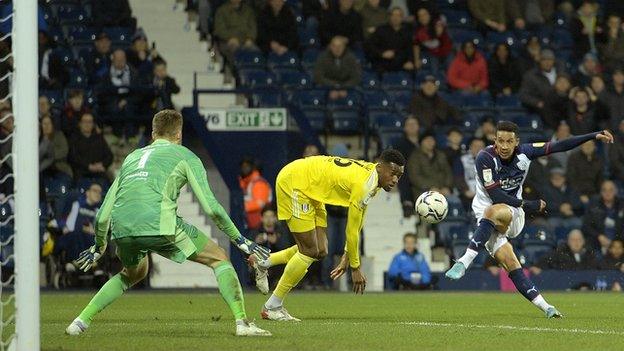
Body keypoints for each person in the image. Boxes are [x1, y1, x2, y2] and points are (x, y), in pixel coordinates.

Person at [65, 110, 271, 337]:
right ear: (179, 134)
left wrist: (99, 246)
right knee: (220, 258)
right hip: (160, 224)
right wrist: (240, 240)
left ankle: (80, 322)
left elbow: (103, 214)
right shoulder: (185, 156)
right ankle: (242, 323)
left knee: (133, 273)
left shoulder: (131, 158)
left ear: (153, 133)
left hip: (122, 229)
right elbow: (212, 208)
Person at [446, 120, 613, 318]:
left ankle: (464, 261)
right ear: (495, 140)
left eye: (509, 141)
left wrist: (592, 135)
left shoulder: (526, 152)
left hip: (513, 214)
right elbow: (497, 195)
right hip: (489, 217)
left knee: (492, 211)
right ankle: (547, 307)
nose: (505, 146)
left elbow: (559, 145)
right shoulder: (485, 158)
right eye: (501, 141)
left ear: (517, 142)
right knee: (511, 262)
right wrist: (530, 204)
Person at [247, 150, 405, 321]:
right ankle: (272, 306)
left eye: (399, 176)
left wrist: (347, 254)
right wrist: (355, 267)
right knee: (308, 251)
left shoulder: (374, 177)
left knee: (321, 250)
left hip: (314, 187)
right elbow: (351, 230)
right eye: (393, 173)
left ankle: (263, 262)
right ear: (381, 167)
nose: (395, 179)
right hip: (295, 183)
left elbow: (359, 218)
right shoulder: (364, 185)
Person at [250, 205, 292, 289]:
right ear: (261, 218)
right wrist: (256, 243)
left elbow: (288, 249)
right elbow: (246, 251)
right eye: (266, 216)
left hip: (277, 265)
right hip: (261, 265)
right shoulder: (255, 231)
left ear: (275, 218)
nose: (269, 219)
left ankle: (278, 283)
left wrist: (277, 242)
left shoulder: (281, 231)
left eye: (271, 216)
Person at [365, 7, 414, 73]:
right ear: (390, 17)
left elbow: (409, 49)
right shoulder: (381, 30)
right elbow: (370, 46)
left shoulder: (407, 32)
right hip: (382, 65)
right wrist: (382, 53)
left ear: (402, 18)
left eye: (398, 15)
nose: (395, 18)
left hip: (401, 66)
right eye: (393, 15)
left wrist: (410, 61)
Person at [519, 49, 564, 121]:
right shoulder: (531, 76)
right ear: (540, 61)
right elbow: (524, 95)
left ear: (554, 61)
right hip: (542, 110)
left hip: (562, 106)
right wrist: (537, 102)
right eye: (544, 60)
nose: (547, 62)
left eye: (550, 59)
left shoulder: (561, 73)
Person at [582, 180, 624, 253]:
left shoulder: (622, 204)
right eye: (604, 190)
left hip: (618, 243)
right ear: (601, 192)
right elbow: (586, 225)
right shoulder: (593, 204)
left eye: (611, 190)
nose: (608, 193)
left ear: (616, 191)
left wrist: (616, 241)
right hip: (597, 242)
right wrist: (599, 236)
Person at [530, 229, 599, 273]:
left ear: (583, 241)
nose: (576, 243)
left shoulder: (590, 254)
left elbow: (598, 270)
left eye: (579, 240)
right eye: (573, 240)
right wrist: (538, 268)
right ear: (568, 241)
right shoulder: (560, 253)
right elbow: (544, 262)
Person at [68, 113, 113, 181]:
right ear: (80, 124)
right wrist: (89, 166)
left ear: (93, 124)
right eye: (85, 122)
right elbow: (73, 157)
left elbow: (109, 156)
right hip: (81, 172)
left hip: (99, 171)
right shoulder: (74, 139)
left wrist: (102, 164)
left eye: (89, 122)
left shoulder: (99, 138)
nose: (87, 124)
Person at [407, 132, 453, 198]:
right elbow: (415, 177)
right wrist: (430, 188)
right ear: (421, 142)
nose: (430, 142)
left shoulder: (441, 155)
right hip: (423, 191)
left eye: (432, 140)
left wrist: (447, 187)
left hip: (443, 190)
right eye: (427, 140)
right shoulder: (415, 157)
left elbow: (448, 172)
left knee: (454, 202)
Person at [214, 0, 258, 65]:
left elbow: (253, 28)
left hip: (246, 42)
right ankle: (234, 72)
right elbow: (220, 29)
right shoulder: (221, 11)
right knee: (234, 53)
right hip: (227, 42)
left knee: (256, 54)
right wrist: (229, 38)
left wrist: (250, 38)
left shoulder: (249, 11)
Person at [238, 157, 273, 231]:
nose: (244, 168)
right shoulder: (247, 183)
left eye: (247, 166)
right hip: (251, 224)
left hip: (260, 225)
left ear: (253, 167)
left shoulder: (258, 182)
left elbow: (260, 203)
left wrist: (241, 207)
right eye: (243, 166)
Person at [395, 116, 419, 217]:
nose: (412, 127)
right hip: (408, 173)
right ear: (405, 128)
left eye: (414, 124)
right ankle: (407, 202)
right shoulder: (400, 144)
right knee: (403, 175)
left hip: (425, 172)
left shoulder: (425, 141)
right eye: (409, 125)